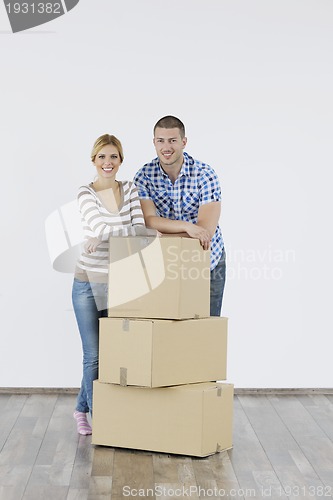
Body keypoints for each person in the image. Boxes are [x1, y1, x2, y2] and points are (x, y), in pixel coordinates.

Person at [72, 133, 145, 435]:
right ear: (94, 160)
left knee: (110, 351)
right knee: (94, 355)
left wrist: (103, 236)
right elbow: (103, 226)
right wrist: (110, 231)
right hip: (88, 283)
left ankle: (79, 408)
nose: (107, 162)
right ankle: (103, 421)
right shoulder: (85, 192)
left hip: (119, 283)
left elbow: (141, 229)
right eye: (102, 156)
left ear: (120, 160)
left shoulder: (130, 189)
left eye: (113, 156)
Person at [134, 115, 226, 316]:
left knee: (206, 329)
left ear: (184, 142)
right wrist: (186, 227)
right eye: (161, 141)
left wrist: (163, 237)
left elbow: (205, 233)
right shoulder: (144, 175)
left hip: (206, 259)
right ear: (154, 142)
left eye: (172, 140)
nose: (166, 147)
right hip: (167, 262)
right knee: (170, 331)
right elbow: (149, 221)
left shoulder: (205, 174)